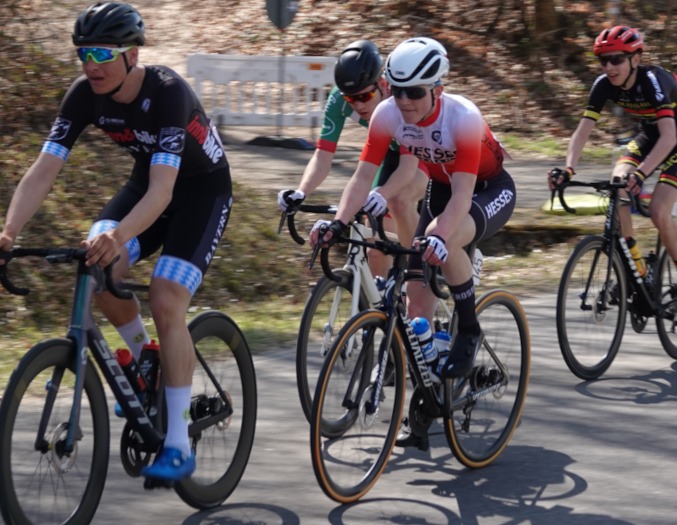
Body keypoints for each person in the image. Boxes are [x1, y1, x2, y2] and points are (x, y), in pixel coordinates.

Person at [0, 2, 233, 481]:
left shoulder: (168, 93)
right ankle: (143, 357)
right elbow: (45, 169)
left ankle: (177, 442)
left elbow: (165, 191)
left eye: (103, 53)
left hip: (199, 194)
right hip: (146, 185)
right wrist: (8, 233)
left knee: (168, 298)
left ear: (132, 53)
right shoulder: (84, 95)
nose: (91, 64)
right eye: (83, 53)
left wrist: (121, 234)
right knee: (96, 267)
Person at [312, 36, 515, 381]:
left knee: (443, 239)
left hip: (486, 190)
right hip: (441, 191)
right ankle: (425, 405)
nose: (404, 101)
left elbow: (462, 195)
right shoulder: (387, 114)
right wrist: (337, 223)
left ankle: (468, 329)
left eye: (415, 92)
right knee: (416, 306)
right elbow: (362, 178)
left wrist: (440, 235)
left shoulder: (463, 118)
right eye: (397, 90)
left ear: (438, 88)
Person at [548, 25, 677, 326]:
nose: (609, 67)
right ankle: (637, 268)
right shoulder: (604, 84)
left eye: (616, 59)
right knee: (617, 183)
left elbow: (669, 138)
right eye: (603, 60)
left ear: (635, 58)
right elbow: (582, 132)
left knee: (659, 210)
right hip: (647, 135)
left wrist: (643, 173)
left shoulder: (654, 81)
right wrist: (567, 168)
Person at [278, 40, 428, 277]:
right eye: (351, 99)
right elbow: (323, 155)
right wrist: (301, 191)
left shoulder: (401, 101)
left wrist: (382, 194)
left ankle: (420, 272)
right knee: (376, 246)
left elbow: (408, 168)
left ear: (381, 84)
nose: (358, 104)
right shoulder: (339, 99)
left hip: (425, 152)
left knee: (399, 199)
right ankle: (383, 309)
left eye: (365, 96)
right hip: (391, 152)